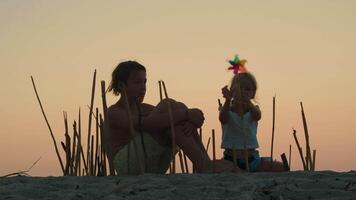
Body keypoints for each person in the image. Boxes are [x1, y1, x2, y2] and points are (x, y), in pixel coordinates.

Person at [107, 60, 236, 175]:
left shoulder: (145, 108)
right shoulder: (114, 112)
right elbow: (147, 124)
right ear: (121, 85)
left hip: (154, 167)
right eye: (137, 82)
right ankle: (204, 164)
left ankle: (205, 162)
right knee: (167, 105)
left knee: (175, 109)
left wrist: (190, 122)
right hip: (128, 167)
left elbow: (170, 118)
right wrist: (187, 114)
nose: (143, 87)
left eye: (144, 82)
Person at [219, 64, 285, 172]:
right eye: (240, 88)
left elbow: (258, 116)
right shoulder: (227, 110)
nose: (243, 91)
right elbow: (223, 119)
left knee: (279, 167)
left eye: (248, 89)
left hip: (252, 158)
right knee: (220, 168)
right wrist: (227, 100)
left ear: (253, 94)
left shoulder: (253, 110)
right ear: (232, 91)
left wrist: (248, 103)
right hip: (230, 159)